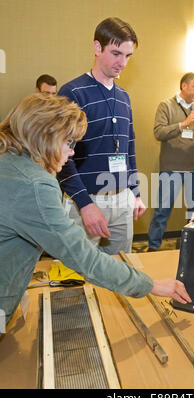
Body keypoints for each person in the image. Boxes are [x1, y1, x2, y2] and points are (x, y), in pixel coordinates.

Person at [0, 93, 191, 332]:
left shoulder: (9, 161)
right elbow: (85, 259)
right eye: (68, 143)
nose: (71, 153)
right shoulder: (36, 184)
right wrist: (150, 284)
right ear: (44, 137)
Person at [57, 17, 146, 255]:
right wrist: (85, 204)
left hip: (122, 200)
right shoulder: (72, 92)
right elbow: (60, 156)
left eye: (128, 56)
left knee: (120, 273)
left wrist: (135, 193)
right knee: (81, 276)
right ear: (97, 48)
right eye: (116, 54)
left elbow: (129, 149)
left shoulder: (124, 97)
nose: (123, 63)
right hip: (86, 201)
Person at [147, 72, 194, 251]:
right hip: (172, 168)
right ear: (184, 86)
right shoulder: (166, 106)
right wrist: (183, 124)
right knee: (162, 211)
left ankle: (189, 248)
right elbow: (159, 133)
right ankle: (153, 248)